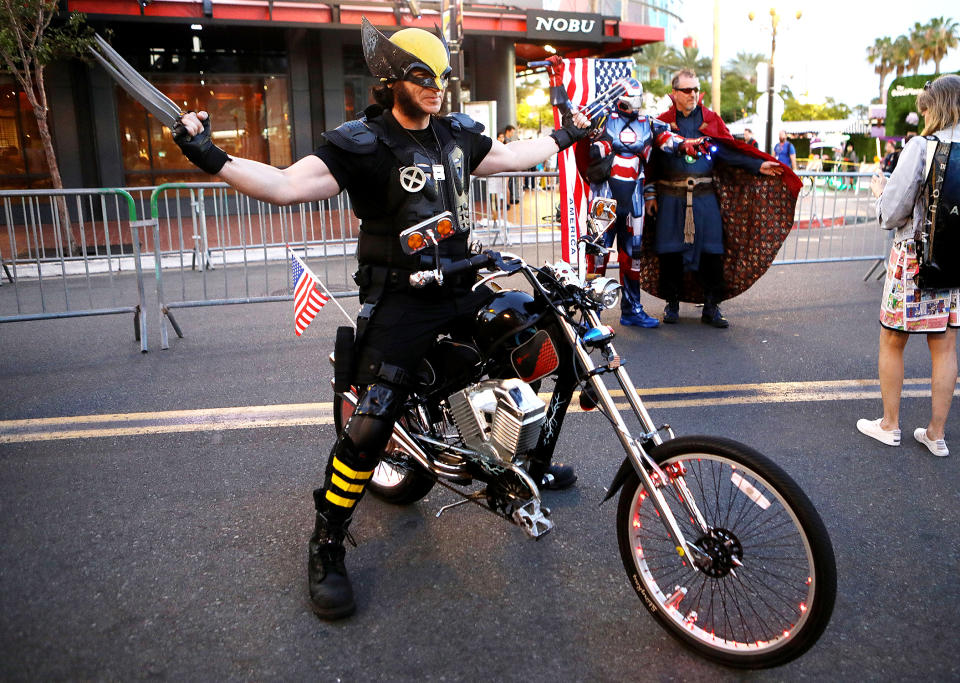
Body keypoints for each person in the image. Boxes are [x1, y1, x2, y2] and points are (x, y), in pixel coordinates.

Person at [171, 18, 593, 620]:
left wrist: (565, 135)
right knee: (370, 427)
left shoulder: (455, 133)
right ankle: (327, 541)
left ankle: (528, 466)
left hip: (461, 282)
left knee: (547, 342)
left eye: (443, 75)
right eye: (423, 76)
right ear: (392, 80)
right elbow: (287, 185)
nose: (437, 86)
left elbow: (505, 156)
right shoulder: (361, 142)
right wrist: (209, 155)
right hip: (400, 300)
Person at [856, 74, 960, 458]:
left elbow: (892, 212)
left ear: (937, 107)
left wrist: (880, 192)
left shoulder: (922, 147)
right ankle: (936, 434)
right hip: (953, 260)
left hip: (914, 257)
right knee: (945, 345)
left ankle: (889, 424)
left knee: (892, 339)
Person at [646, 69, 785, 327]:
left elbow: (727, 152)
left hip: (705, 197)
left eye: (696, 89)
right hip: (671, 199)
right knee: (670, 251)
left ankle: (711, 307)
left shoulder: (711, 120)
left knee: (712, 251)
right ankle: (672, 305)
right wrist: (650, 194)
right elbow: (650, 163)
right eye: (687, 90)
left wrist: (757, 165)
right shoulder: (660, 123)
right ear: (674, 93)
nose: (693, 94)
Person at [581, 80, 706, 328]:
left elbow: (671, 140)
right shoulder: (602, 118)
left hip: (634, 199)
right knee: (596, 257)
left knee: (633, 256)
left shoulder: (647, 123)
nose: (636, 103)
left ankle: (631, 309)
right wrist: (558, 84)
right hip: (604, 199)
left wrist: (688, 145)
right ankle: (590, 315)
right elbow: (575, 123)